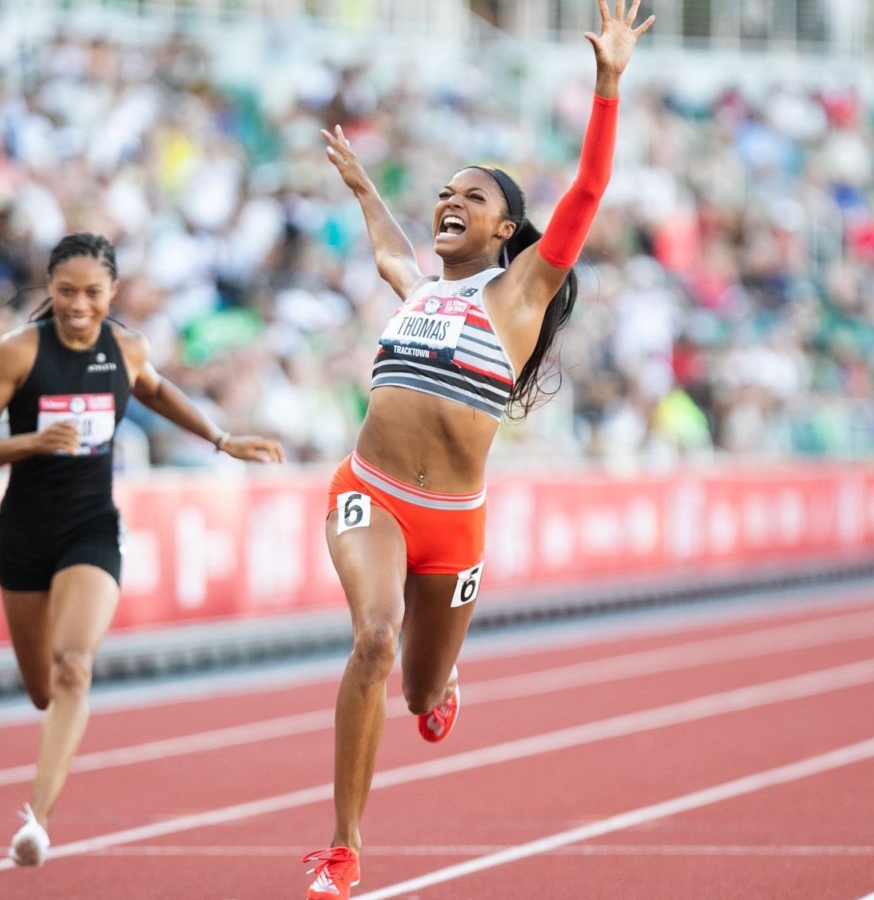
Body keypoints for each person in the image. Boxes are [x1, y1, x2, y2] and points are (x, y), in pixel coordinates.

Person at [300, 2, 653, 897]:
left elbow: (586, 194)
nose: (451, 202)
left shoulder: (521, 296)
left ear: (505, 231)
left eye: (475, 196)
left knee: (418, 695)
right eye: (445, 192)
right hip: (369, 491)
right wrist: (362, 187)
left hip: (451, 525)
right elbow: (388, 242)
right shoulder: (416, 286)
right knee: (373, 640)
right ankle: (343, 848)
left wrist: (609, 82)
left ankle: (444, 675)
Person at [0, 232, 285, 867]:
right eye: (67, 293)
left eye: (93, 294)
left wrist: (221, 439)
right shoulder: (19, 352)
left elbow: (155, 388)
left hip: (91, 528)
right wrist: (29, 443)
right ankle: (55, 740)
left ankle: (37, 822)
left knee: (74, 665)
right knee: (42, 690)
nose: (80, 306)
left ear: (113, 293)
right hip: (22, 532)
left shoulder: (126, 347)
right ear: (50, 292)